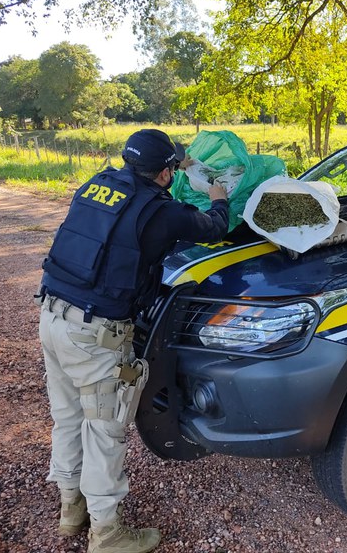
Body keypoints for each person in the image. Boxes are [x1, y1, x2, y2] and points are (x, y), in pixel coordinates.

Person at [37, 128, 228, 553]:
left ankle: (71, 508)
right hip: (94, 335)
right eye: (172, 167)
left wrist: (181, 167)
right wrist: (218, 196)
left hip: (51, 315)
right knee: (104, 429)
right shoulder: (162, 212)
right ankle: (106, 533)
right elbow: (215, 227)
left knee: (67, 417)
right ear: (164, 174)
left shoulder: (98, 185)